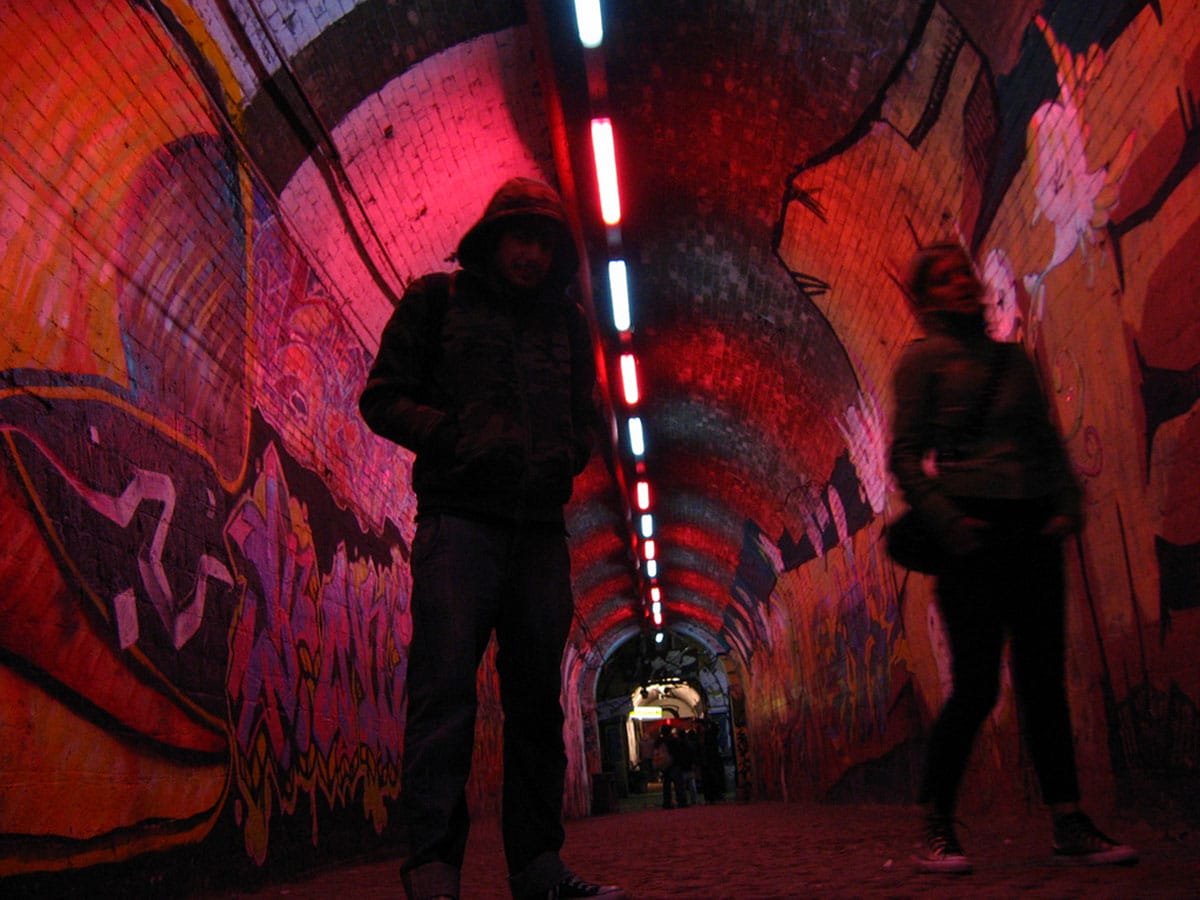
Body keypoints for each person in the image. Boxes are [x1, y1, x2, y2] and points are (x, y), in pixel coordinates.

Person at [360, 178, 625, 900]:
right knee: (444, 691)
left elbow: (585, 416)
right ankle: (433, 871)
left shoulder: (567, 325)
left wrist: (566, 454)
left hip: (539, 531)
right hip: (458, 524)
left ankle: (538, 869)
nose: (531, 254)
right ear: (492, 238)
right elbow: (380, 396)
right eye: (520, 237)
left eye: (544, 242)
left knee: (538, 702)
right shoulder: (436, 301)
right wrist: (449, 436)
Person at [889, 242, 1138, 875]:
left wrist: (1065, 507)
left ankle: (1067, 818)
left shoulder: (1014, 361)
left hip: (1031, 528)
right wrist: (950, 524)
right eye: (944, 280)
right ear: (925, 300)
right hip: (969, 532)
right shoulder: (921, 363)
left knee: (1042, 680)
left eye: (963, 275)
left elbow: (1046, 440)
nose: (962, 285)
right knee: (974, 686)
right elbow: (906, 456)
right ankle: (938, 823)